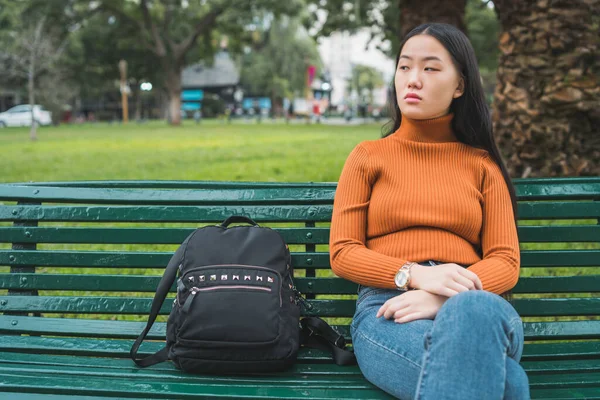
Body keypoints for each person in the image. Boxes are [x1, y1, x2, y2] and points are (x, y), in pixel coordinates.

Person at [329, 22, 530, 400]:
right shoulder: (369, 156)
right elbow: (343, 252)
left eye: (430, 68)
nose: (413, 80)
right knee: (506, 384)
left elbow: (505, 260)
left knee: (471, 315)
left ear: (460, 85)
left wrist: (446, 297)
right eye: (404, 67)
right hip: (390, 308)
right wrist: (414, 276)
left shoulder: (482, 165)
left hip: (478, 303)